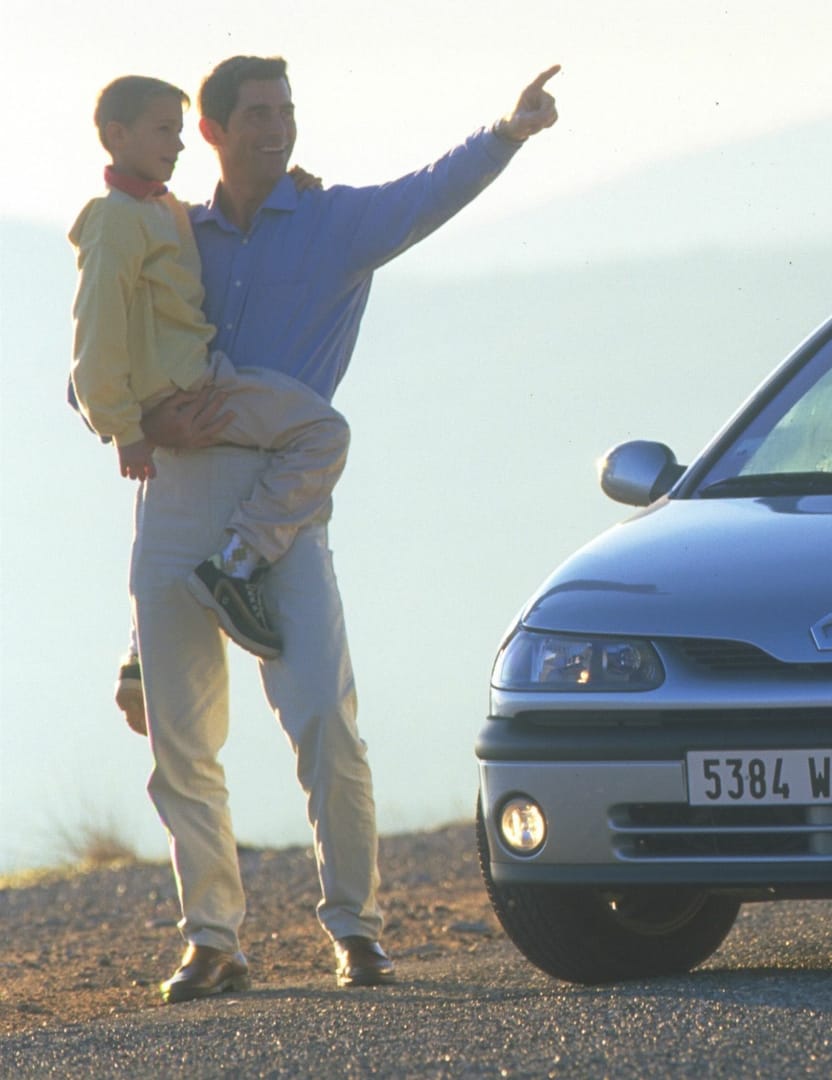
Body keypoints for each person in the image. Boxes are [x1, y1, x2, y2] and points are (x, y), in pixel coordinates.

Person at [127, 55, 560, 1005]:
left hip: (283, 505)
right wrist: (139, 424)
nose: (278, 129)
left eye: (288, 111)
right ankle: (212, 942)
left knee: (326, 716)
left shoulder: (333, 223)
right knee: (179, 742)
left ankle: (354, 930)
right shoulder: (167, 233)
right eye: (257, 115)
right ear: (212, 131)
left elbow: (427, 194)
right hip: (173, 491)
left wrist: (508, 130)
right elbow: (99, 354)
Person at [73, 75, 351, 663]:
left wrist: (292, 189)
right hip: (194, 388)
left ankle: (179, 621)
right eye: (162, 131)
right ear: (117, 135)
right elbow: (96, 340)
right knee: (323, 431)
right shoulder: (116, 220)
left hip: (197, 382)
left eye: (178, 132)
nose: (175, 146)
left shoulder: (165, 210)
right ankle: (238, 563)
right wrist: (129, 430)